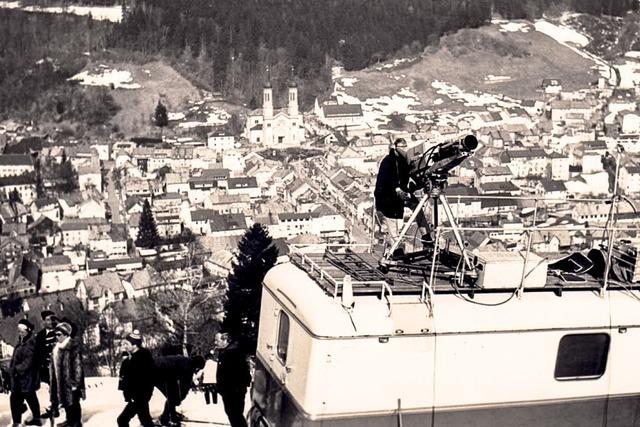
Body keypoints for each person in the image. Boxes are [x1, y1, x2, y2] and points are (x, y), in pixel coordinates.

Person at [374, 138, 431, 254]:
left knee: (417, 208)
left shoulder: (403, 161)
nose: (404, 149)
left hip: (401, 193)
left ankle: (426, 238)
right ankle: (396, 247)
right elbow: (386, 180)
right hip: (387, 196)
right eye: (402, 147)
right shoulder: (388, 161)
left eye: (405, 147)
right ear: (395, 148)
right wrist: (397, 189)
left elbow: (409, 177)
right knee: (391, 220)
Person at [117, 330, 156, 427]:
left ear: (135, 345)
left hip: (139, 397)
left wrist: (137, 396)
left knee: (122, 420)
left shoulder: (143, 358)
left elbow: (147, 379)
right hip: (136, 397)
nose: (125, 346)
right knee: (145, 420)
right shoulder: (131, 358)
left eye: (127, 344)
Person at [49, 322, 85, 427]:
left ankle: (76, 422)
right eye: (55, 334)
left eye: (59, 334)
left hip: (71, 381)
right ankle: (69, 420)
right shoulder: (56, 348)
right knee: (66, 401)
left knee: (73, 402)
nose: (57, 337)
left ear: (66, 335)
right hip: (60, 379)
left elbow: (78, 366)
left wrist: (75, 382)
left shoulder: (72, 347)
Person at [155, 354, 205, 425]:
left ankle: (170, 414)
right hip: (158, 372)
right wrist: (180, 399)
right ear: (197, 366)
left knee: (172, 396)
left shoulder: (186, 361)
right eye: (198, 369)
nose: (196, 371)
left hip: (158, 368)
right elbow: (185, 386)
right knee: (173, 396)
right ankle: (166, 418)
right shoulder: (188, 366)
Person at [9, 319, 42, 427]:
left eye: (21, 330)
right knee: (18, 398)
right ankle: (18, 421)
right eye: (18, 331)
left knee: (28, 396)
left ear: (27, 330)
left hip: (27, 377)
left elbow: (29, 360)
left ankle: (34, 419)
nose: (20, 332)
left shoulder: (30, 343)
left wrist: (17, 369)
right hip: (20, 377)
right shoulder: (21, 342)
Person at [215, 332, 251, 427]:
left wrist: (228, 388)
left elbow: (235, 373)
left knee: (235, 414)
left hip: (233, 390)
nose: (215, 343)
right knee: (234, 414)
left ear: (225, 340)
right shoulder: (227, 352)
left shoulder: (231, 353)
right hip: (232, 390)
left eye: (217, 340)